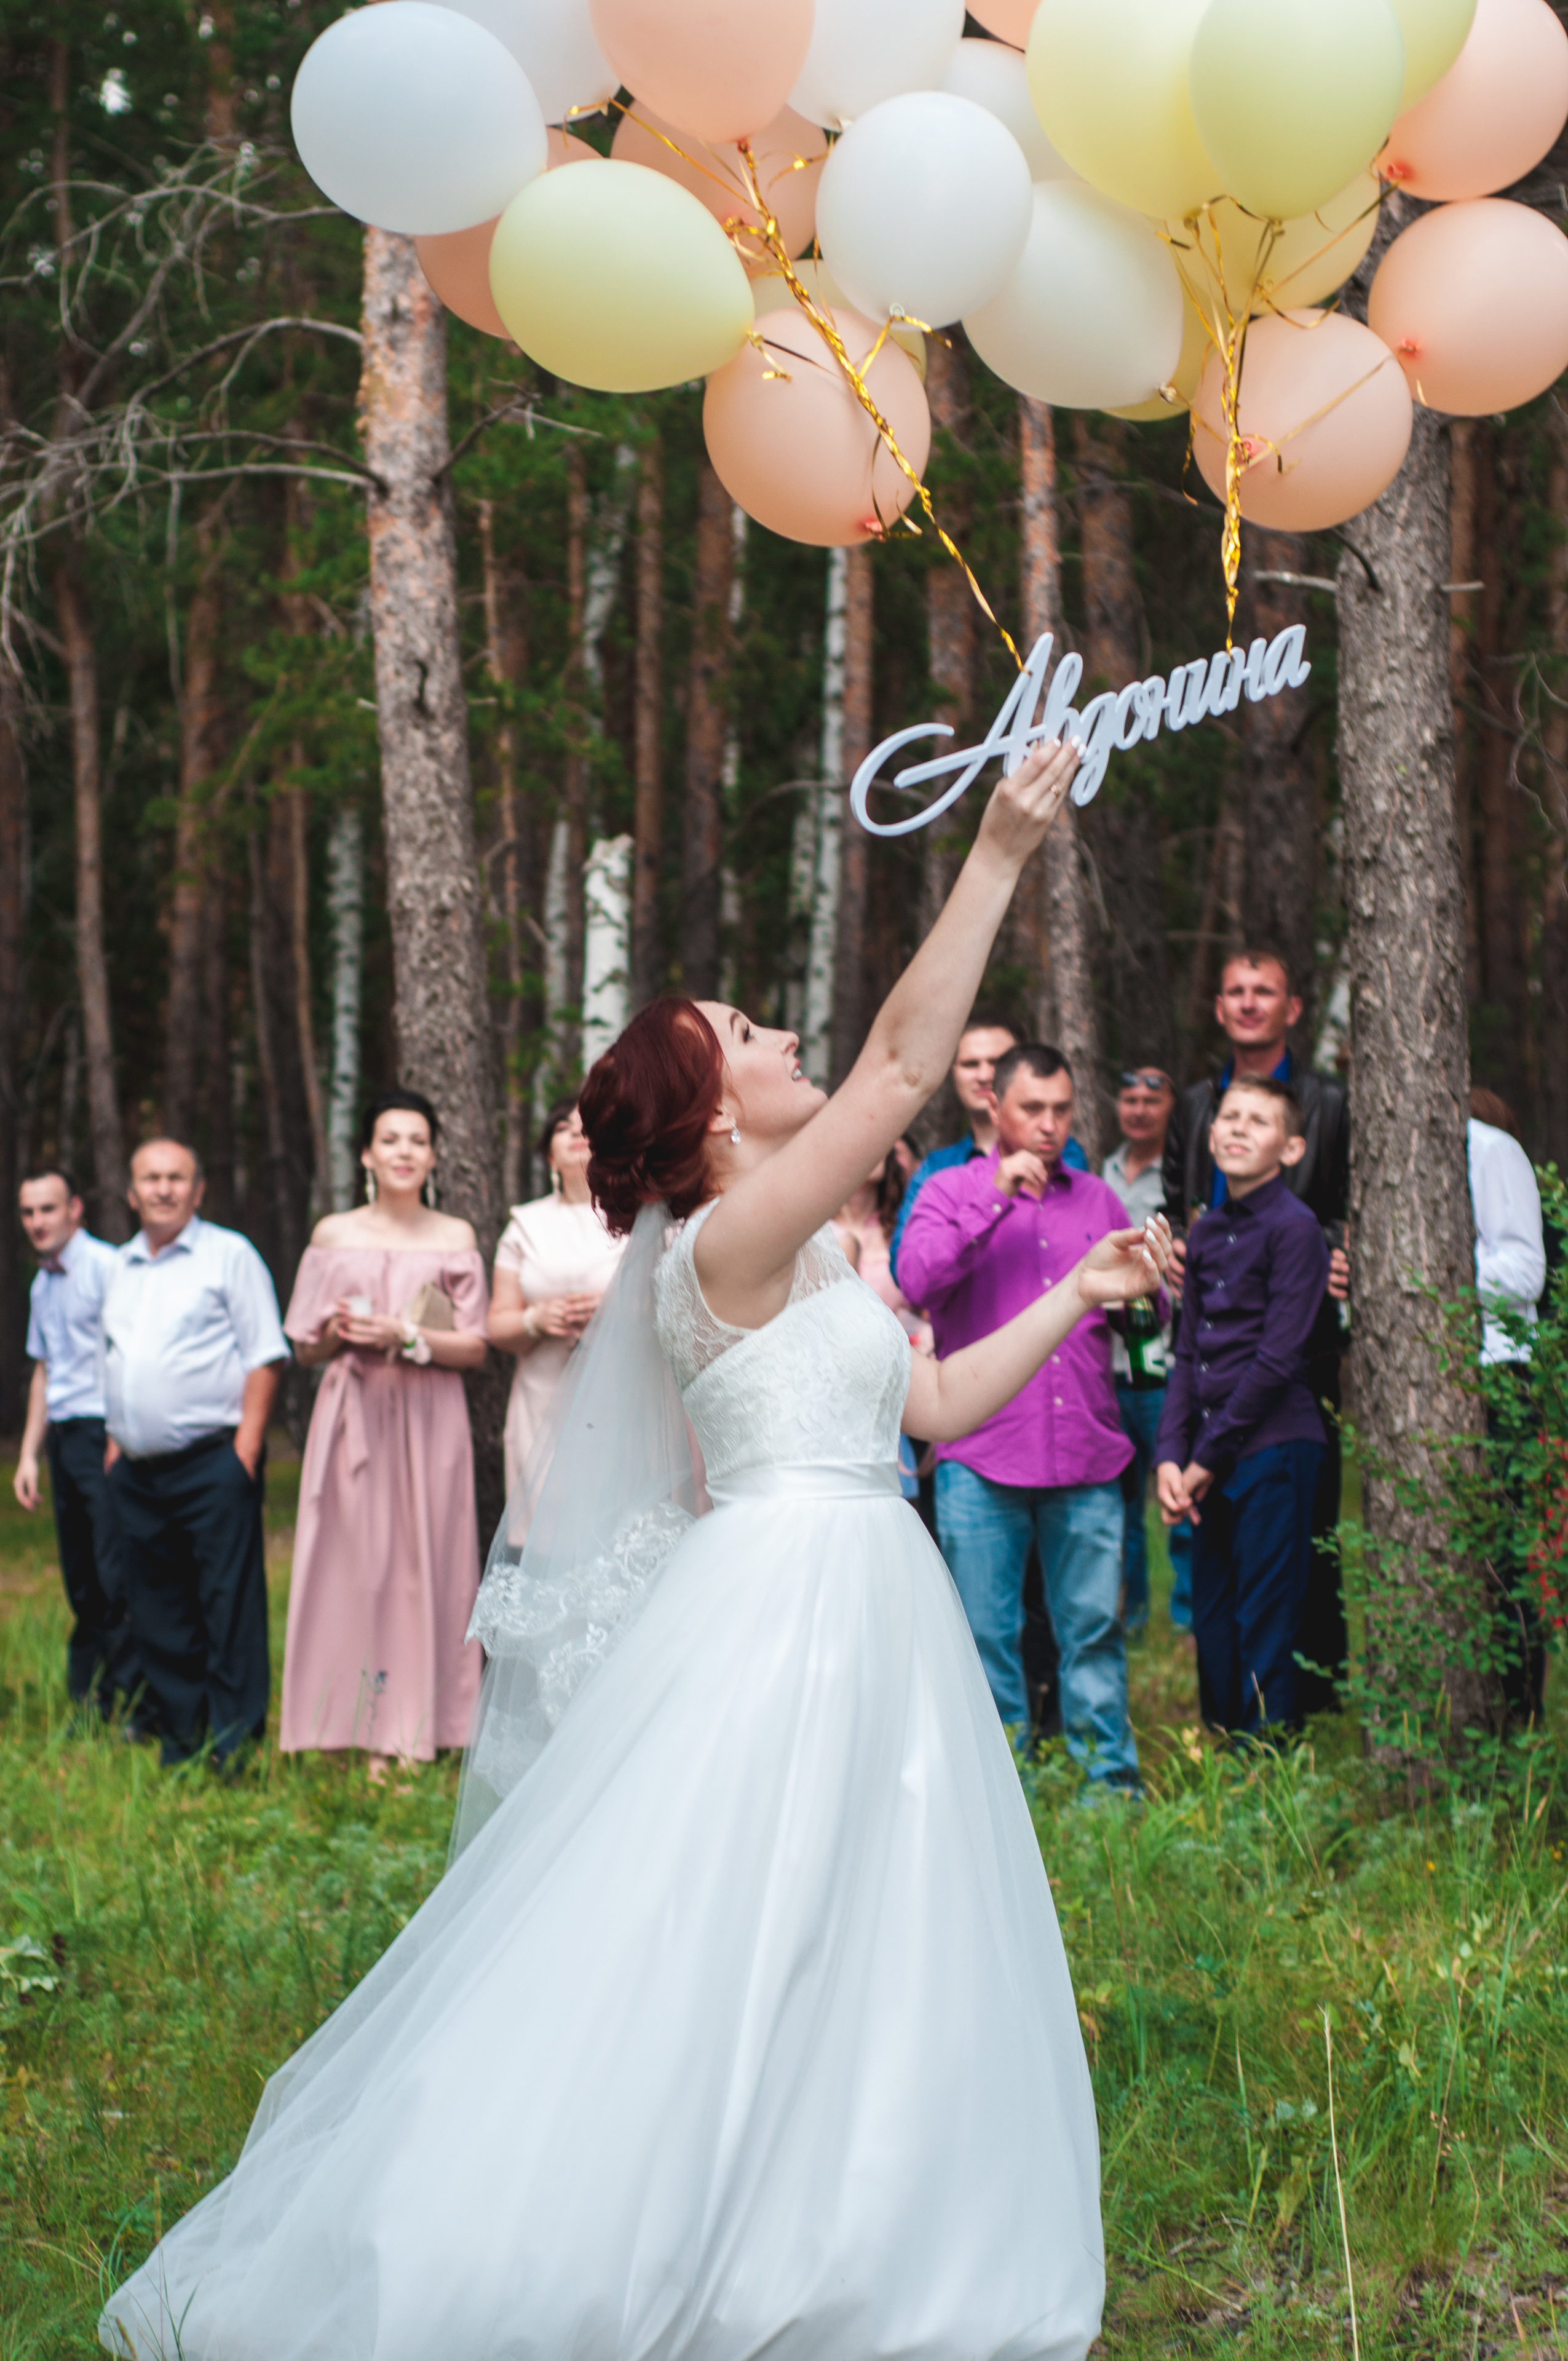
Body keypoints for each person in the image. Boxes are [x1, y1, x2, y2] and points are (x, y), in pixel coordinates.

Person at [103, 734, 1174, 2361]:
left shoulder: (818, 1255)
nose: (781, 1033)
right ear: (712, 1112)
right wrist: (1000, 851)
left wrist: (1078, 1296)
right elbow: (901, 1070)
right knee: (734, 1925)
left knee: (859, 1926)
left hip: (872, 1593)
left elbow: (940, 1402)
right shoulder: (730, 1241)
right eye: (744, 1033)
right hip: (787, 1609)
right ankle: (652, 2223)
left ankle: (834, 2219)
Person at [897, 1043, 1144, 1790]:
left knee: (1094, 1630)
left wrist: (1154, 1288)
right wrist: (995, 1196)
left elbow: (1136, 1317)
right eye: (1033, 1108)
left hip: (1086, 1449)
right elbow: (917, 1280)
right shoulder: (948, 1188)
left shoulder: (1097, 1198)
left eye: (1062, 1109)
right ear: (993, 1105)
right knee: (984, 1636)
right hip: (983, 1452)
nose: (1049, 1124)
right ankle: (1001, 1790)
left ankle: (1108, 1783)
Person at [280, 1091, 491, 1775]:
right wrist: (337, 1334)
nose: (405, 1152)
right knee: (349, 1566)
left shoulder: (455, 1237)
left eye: (418, 1141)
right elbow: (304, 1348)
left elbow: (475, 1347)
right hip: (354, 1413)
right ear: (368, 1154)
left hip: (430, 1412)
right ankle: (341, 1725)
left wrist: (404, 1333)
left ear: (433, 1157)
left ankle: (417, 1731)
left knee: (429, 1566)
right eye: (391, 1139)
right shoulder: (333, 1234)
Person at [1162, 948, 1348, 1710]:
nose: (1238, 1129)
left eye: (1258, 1121)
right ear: (1209, 1134)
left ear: (1291, 1148)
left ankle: (1271, 1751)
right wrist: (1171, 1454)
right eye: (1230, 1118)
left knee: (1270, 1608)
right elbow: (1186, 1352)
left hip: (1271, 1441)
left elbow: (1277, 1358)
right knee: (1213, 1607)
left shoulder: (1297, 1228)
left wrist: (1204, 1456)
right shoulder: (1206, 1232)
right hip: (1212, 1444)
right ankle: (1224, 1745)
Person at [103, 1140, 289, 1768]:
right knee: (157, 1607)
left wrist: (246, 1451)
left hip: (215, 1462)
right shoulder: (120, 1266)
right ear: (132, 1193)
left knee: (227, 1603)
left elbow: (265, 1355)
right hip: (136, 1471)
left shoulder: (230, 1256)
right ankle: (182, 1739)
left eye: (176, 1177)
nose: (163, 1189)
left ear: (198, 1189)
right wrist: (115, 1445)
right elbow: (116, 1359)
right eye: (151, 1178)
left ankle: (233, 1747)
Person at [13, 1168, 139, 1717]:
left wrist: (119, 1434)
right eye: (28, 1212)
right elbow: (44, 1371)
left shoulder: (108, 1267)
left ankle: (132, 1697)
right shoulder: (43, 1283)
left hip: (102, 1434)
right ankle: (90, 1701)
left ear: (75, 1209)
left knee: (115, 1571)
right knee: (81, 1575)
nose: (37, 1222)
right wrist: (28, 1456)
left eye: (47, 1209)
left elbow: (130, 1352)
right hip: (63, 1439)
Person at [488, 1097, 627, 1495]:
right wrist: (534, 1320)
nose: (576, 1133)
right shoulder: (525, 1225)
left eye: (587, 1127)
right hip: (543, 1399)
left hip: (622, 1392)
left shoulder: (640, 1217)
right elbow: (497, 1325)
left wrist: (618, 1308)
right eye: (563, 1128)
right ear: (550, 1156)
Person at [888, 1020, 1091, 1285]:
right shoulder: (937, 1167)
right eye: (971, 1064)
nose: (984, 1075)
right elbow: (903, 1266)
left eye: (996, 1062)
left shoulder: (1063, 1155)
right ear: (954, 1072)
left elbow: (1066, 1241)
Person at [1467, 1085, 1548, 1717]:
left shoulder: (1491, 1149)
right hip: (1433, 1375)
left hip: (1498, 1375)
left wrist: (1438, 1265)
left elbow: (1526, 1271)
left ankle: (1519, 1716)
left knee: (1505, 1556)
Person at [1101, 1068, 1189, 1639]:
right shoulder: (1102, 1174)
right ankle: (1130, 1616)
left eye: (1151, 1101)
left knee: (1180, 1494)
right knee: (1122, 1501)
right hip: (1109, 1364)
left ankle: (1190, 1618)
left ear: (1170, 1108)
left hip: (1166, 1364)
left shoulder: (1180, 1178)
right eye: (1129, 1099)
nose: (1138, 1110)